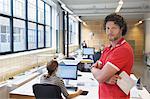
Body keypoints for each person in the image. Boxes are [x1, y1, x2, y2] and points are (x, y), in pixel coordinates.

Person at [91, 13, 134, 99]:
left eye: (114, 28)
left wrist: (96, 71)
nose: (110, 31)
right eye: (107, 28)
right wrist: (105, 78)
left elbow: (99, 77)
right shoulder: (108, 48)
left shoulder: (123, 49)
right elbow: (98, 71)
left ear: (121, 29)